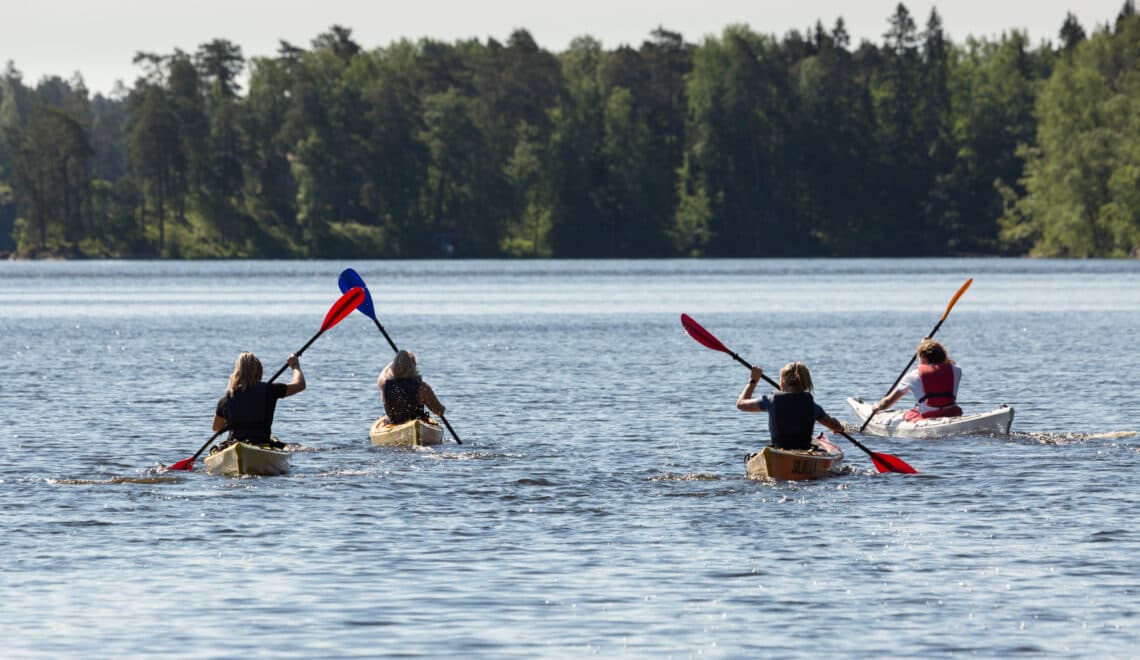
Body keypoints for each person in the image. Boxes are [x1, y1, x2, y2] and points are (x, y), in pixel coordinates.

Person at [736, 362, 845, 450]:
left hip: (779, 451)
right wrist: (838, 425)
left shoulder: (771, 401)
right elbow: (836, 427)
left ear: (782, 384)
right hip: (804, 452)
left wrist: (753, 381)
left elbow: (741, 404)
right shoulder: (813, 406)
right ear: (806, 385)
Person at [212, 352, 306, 449]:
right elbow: (300, 385)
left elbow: (216, 428)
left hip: (234, 444)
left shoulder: (225, 399)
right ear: (259, 373)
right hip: (262, 444)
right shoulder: (270, 390)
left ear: (237, 373)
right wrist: (295, 366)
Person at [874, 338, 962, 422]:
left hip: (928, 417)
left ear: (924, 358)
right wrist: (929, 344)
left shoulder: (913, 376)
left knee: (909, 414)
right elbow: (946, 363)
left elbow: (888, 402)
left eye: (919, 357)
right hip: (953, 413)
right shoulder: (957, 370)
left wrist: (877, 407)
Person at [377, 349, 445, 425]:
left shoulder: (384, 385)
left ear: (393, 367)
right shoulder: (422, 387)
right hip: (418, 423)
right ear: (413, 366)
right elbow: (439, 411)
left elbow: (381, 375)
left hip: (394, 423)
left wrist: (394, 363)